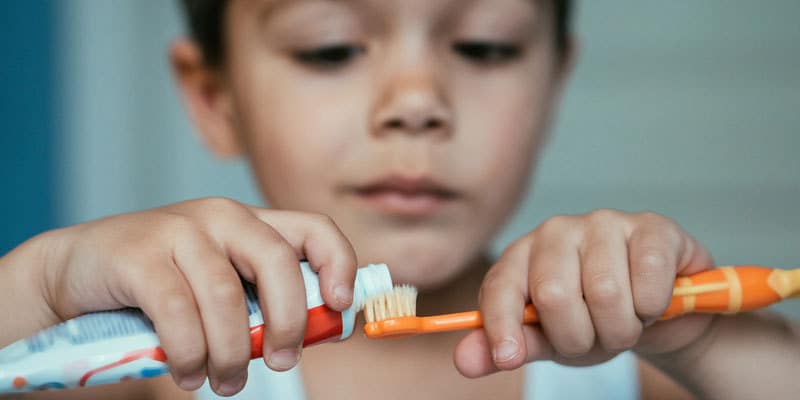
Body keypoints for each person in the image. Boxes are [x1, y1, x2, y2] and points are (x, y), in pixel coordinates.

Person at [1, 0, 798, 399]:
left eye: (485, 45)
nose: (416, 100)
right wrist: (34, 286)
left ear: (555, 81)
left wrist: (703, 346)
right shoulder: (151, 380)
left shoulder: (646, 375)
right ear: (214, 96)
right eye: (333, 47)